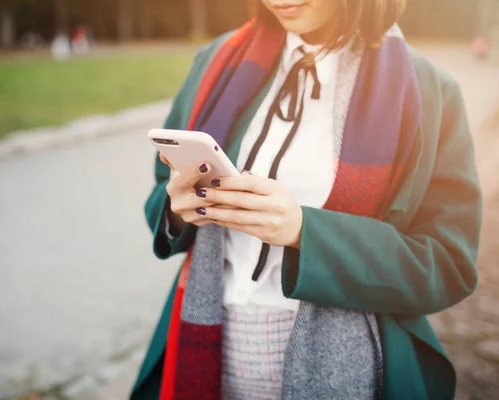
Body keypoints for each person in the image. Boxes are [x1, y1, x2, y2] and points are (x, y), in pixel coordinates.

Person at [132, 0, 482, 399]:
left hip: (346, 368)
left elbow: (448, 265)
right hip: (204, 342)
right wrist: (177, 211)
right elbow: (159, 198)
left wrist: (306, 232)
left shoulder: (429, 91)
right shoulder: (216, 62)